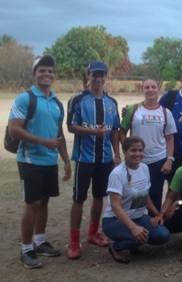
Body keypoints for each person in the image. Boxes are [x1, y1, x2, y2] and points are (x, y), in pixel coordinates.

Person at [8, 55, 71, 268]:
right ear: (34, 74)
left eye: (50, 71)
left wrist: (66, 160)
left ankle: (40, 240)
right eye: (42, 70)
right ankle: (26, 249)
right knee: (32, 203)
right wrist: (42, 141)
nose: (46, 74)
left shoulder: (56, 102)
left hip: (50, 161)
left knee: (44, 201)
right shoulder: (25, 98)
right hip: (29, 159)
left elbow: (59, 132)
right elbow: (14, 129)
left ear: (54, 76)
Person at [66, 61, 121, 260]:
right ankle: (74, 241)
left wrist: (116, 154)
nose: (98, 79)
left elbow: (115, 129)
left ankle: (92, 233)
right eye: (94, 75)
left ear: (106, 77)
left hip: (105, 159)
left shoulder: (112, 103)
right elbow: (71, 127)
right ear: (88, 76)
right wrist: (93, 132)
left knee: (99, 196)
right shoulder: (78, 99)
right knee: (79, 198)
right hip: (84, 158)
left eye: (101, 75)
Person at [102, 136, 170, 263]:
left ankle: (134, 242)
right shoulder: (117, 174)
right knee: (138, 236)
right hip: (114, 220)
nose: (137, 154)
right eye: (133, 150)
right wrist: (133, 228)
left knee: (163, 235)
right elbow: (115, 206)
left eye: (140, 150)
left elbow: (145, 195)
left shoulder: (144, 168)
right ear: (124, 151)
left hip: (138, 217)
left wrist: (157, 214)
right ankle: (116, 248)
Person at [119, 79, 177, 213]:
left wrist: (169, 160)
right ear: (142, 90)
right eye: (146, 87)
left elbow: (170, 138)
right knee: (135, 194)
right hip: (137, 161)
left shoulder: (165, 113)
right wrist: (129, 150)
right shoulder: (133, 109)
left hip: (158, 161)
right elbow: (122, 132)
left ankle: (153, 223)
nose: (150, 90)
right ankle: (135, 222)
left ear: (158, 90)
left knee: (155, 194)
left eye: (153, 87)